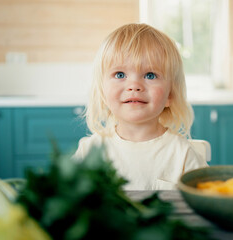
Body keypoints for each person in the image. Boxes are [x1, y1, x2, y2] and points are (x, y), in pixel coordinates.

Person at [74, 23, 208, 190]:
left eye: (150, 75)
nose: (134, 86)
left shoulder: (183, 155)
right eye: (120, 74)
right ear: (103, 92)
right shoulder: (90, 152)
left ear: (170, 95)